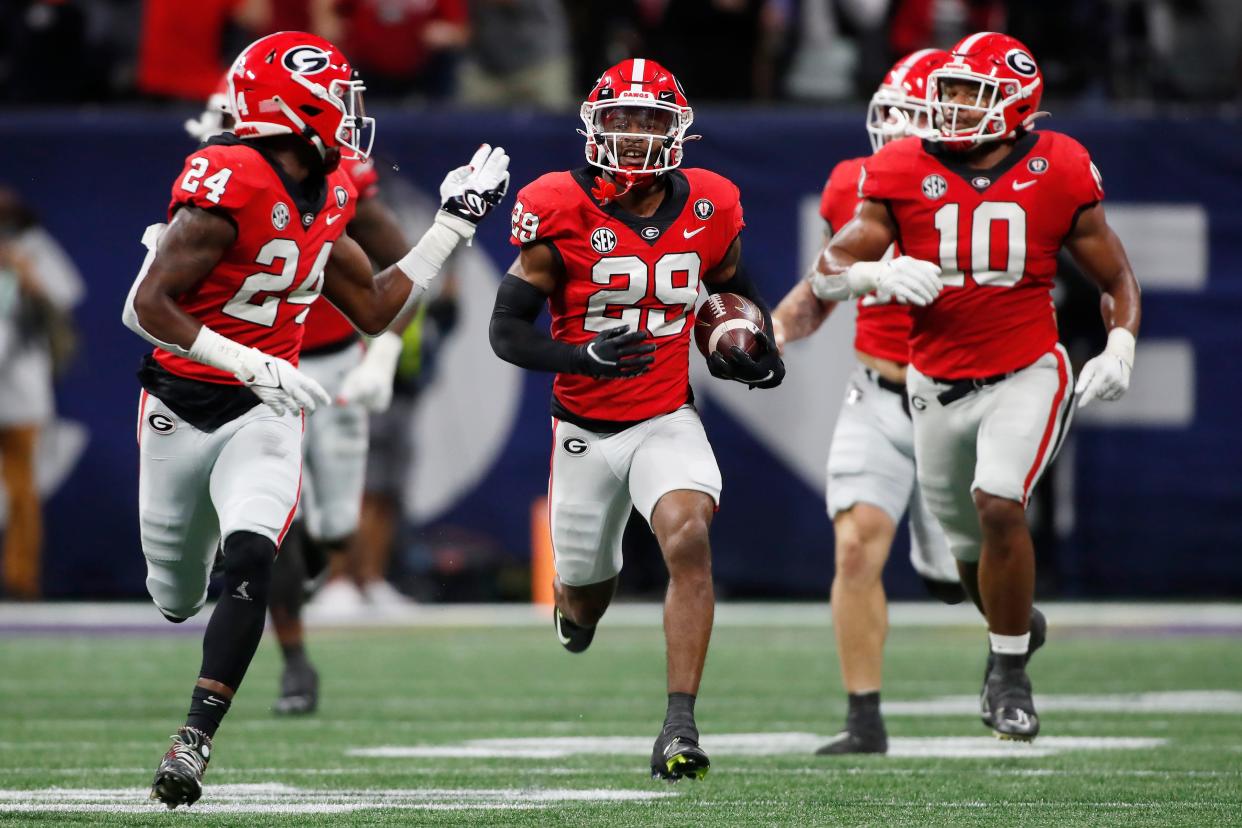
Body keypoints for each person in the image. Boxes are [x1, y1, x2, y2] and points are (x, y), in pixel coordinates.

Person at [122, 30, 509, 808]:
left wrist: (454, 224)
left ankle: (193, 741)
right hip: (179, 404)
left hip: (266, 412)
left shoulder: (330, 188)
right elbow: (144, 308)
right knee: (173, 593)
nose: (352, 116)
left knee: (255, 558)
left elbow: (374, 306)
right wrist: (246, 357)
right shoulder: (230, 175)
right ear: (291, 108)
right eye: (339, 100)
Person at [811, 32, 1141, 741]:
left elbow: (1113, 275)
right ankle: (1014, 625)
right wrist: (872, 274)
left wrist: (1121, 340)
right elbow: (830, 265)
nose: (953, 106)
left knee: (997, 502)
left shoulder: (1060, 166)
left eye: (971, 94)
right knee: (964, 558)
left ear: (1017, 104)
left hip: (1027, 370)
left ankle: (1009, 674)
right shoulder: (901, 165)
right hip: (934, 381)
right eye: (951, 91)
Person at [490, 58, 785, 781]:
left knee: (688, 535)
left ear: (676, 131)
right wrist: (581, 354)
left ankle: (679, 724)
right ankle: (576, 612)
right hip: (584, 432)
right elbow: (506, 329)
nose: (633, 134)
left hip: (665, 418)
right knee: (586, 592)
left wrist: (755, 350)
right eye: (621, 120)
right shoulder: (557, 204)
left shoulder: (712, 204)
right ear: (595, 127)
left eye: (650, 120)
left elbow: (735, 296)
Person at [185, 79, 417, 715]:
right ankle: (295, 661)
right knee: (267, 532)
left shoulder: (341, 178)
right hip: (251, 374)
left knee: (334, 525)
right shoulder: (217, 183)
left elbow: (404, 266)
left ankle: (300, 571)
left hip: (335, 362)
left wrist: (387, 351)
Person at [772, 48, 963, 756]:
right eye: (894, 119)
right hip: (876, 390)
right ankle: (864, 717)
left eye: (916, 122)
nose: (899, 136)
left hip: (959, 399)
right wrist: (778, 329)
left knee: (958, 573)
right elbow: (825, 282)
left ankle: (1007, 645)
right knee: (854, 550)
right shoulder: (853, 183)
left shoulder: (983, 191)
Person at [0, 188, 83, 600]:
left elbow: (67, 294)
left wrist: (25, 271)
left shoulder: (31, 246)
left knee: (21, 493)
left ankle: (20, 581)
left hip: (18, 393)